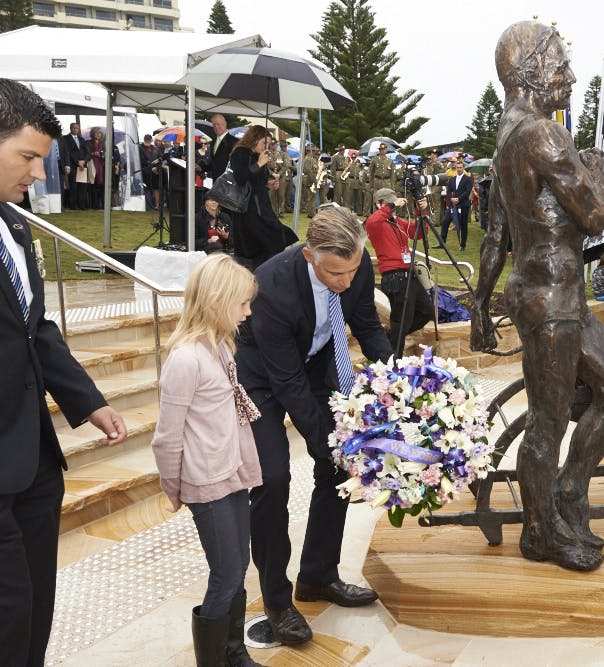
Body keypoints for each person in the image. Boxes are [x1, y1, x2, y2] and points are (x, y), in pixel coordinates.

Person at [469, 21, 604, 571]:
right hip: (550, 300)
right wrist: (602, 173)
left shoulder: (505, 138)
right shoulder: (543, 134)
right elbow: (596, 216)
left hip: (552, 295)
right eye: (560, 63)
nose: (569, 74)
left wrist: (479, 304)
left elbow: (495, 238)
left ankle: (567, 492)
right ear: (529, 72)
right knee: (547, 420)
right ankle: (540, 532)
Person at [0, 78, 127, 667]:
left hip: (34, 461)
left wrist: (89, 401)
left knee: (37, 612)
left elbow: (36, 329)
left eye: (42, 160)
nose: (37, 174)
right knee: (10, 613)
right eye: (27, 156)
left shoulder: (17, 228)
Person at [235, 206, 390, 645]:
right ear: (309, 256)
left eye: (353, 270)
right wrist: (329, 441)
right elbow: (286, 382)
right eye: (335, 274)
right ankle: (277, 601)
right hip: (262, 377)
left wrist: (399, 379)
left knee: (337, 470)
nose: (346, 282)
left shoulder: (355, 268)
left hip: (317, 364)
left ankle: (318, 576)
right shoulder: (272, 287)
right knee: (272, 479)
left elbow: (365, 324)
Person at [150, 254, 263, 667]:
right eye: (243, 304)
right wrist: (173, 487)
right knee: (227, 571)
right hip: (206, 479)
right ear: (217, 300)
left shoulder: (219, 348)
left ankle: (234, 652)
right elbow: (167, 436)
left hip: (230, 472)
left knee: (239, 563)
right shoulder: (185, 359)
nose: (248, 313)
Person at [365, 187, 433, 356]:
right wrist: (392, 206)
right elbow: (372, 221)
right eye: (388, 204)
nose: (393, 207)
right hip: (394, 275)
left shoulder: (398, 222)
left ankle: (392, 335)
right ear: (378, 204)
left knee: (427, 311)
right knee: (401, 320)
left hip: (408, 273)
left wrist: (420, 211)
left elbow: (419, 234)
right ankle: (395, 359)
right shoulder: (376, 223)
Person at [229, 126, 297, 270]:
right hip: (248, 208)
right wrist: (259, 163)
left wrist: (268, 184)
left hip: (262, 204)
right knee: (263, 239)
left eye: (269, 144)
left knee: (276, 237)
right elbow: (241, 178)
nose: (267, 147)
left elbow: (256, 181)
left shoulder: (259, 155)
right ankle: (261, 270)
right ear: (254, 139)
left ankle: (266, 270)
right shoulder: (240, 153)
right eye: (264, 143)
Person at [442, 160, 473, 250]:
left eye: (460, 167)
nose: (459, 169)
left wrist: (458, 199)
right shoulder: (452, 179)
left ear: (463, 168)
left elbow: (467, 192)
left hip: (463, 205)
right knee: (445, 221)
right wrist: (451, 198)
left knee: (463, 225)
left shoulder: (468, 179)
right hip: (453, 205)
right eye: (457, 168)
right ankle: (442, 242)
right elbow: (448, 191)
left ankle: (462, 245)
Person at [208, 114, 238, 181]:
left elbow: (236, 164)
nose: (216, 127)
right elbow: (214, 163)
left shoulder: (234, 142)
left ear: (225, 124)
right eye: (214, 125)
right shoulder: (213, 141)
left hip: (228, 184)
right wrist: (201, 168)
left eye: (218, 124)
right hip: (216, 182)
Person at [139, 134, 163, 211]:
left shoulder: (155, 149)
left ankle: (157, 205)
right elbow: (139, 160)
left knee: (156, 189)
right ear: (144, 139)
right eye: (146, 139)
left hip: (155, 172)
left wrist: (157, 168)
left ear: (151, 140)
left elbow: (160, 159)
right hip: (144, 172)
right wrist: (149, 168)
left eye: (149, 139)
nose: (148, 141)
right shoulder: (139, 148)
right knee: (146, 188)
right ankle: (148, 205)